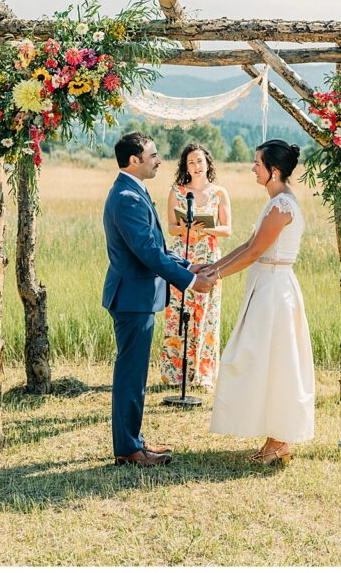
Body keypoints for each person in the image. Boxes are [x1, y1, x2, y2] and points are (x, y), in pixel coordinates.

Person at [102, 132, 216, 467]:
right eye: (153, 155)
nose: (159, 160)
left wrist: (187, 264)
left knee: (133, 374)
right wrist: (191, 280)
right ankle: (128, 449)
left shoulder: (133, 191)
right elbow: (149, 254)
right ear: (134, 160)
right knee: (131, 376)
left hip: (136, 295)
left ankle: (132, 440)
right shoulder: (127, 197)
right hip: (132, 297)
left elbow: (158, 250)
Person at [202, 140, 314, 466]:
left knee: (276, 362)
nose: (253, 168)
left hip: (275, 293)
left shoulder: (282, 207)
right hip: (265, 287)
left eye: (257, 163)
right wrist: (212, 268)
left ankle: (279, 441)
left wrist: (216, 278)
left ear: (273, 171)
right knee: (260, 360)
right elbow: (249, 244)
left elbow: (253, 253)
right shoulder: (274, 202)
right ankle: (274, 438)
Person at [160, 143, 232, 391]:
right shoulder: (177, 191)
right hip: (182, 256)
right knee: (178, 312)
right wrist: (187, 228)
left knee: (206, 313)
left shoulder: (219, 193)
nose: (196, 166)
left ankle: (203, 374)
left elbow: (227, 229)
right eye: (191, 162)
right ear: (186, 167)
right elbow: (170, 228)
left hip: (209, 256)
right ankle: (175, 373)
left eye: (200, 161)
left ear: (208, 163)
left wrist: (207, 228)